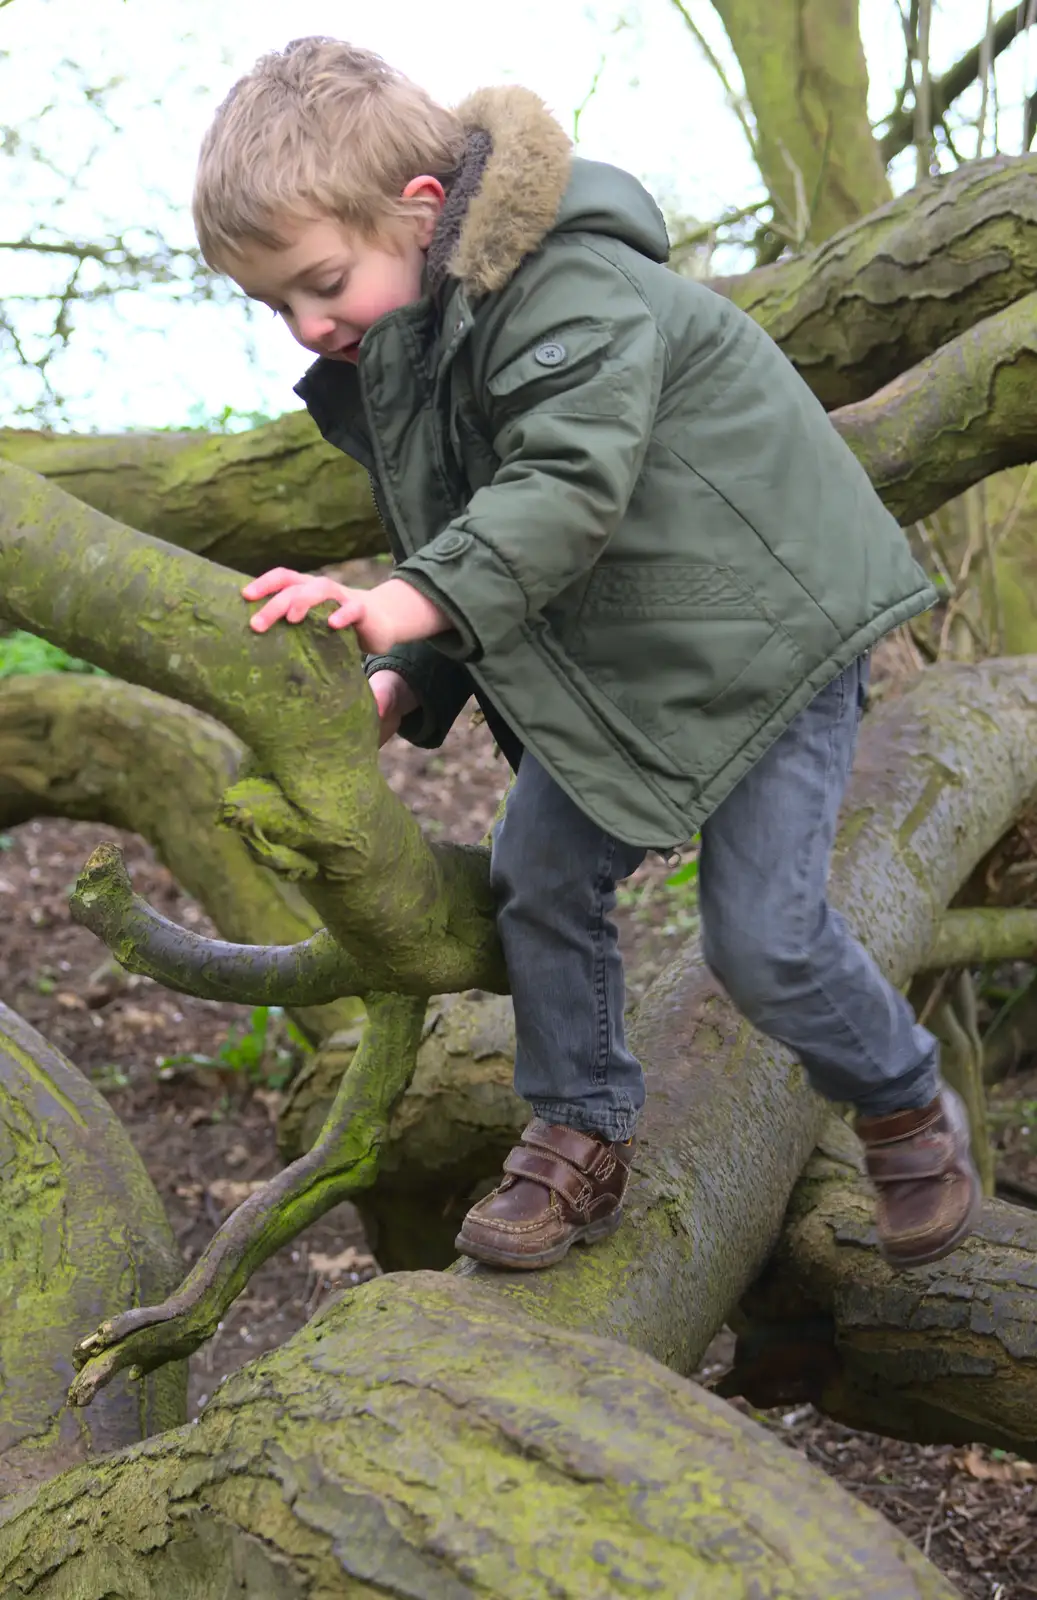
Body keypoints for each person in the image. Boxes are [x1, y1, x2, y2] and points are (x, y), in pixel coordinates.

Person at [192, 36, 981, 1273]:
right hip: (627, 663)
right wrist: (414, 669)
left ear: (413, 213)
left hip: (767, 641)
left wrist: (404, 601)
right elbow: (465, 526)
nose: (304, 322)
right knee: (538, 870)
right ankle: (578, 1131)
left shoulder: (563, 285)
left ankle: (898, 1100)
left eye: (318, 280)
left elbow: (565, 488)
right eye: (271, 304)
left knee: (761, 937)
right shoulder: (407, 348)